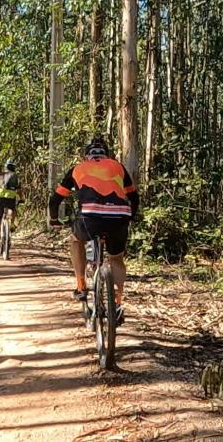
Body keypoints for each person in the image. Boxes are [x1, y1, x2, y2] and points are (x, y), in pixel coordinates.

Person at [48, 135, 140, 325]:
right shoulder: (118, 166)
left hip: (89, 218)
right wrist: (131, 216)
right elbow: (134, 196)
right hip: (119, 217)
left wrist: (55, 220)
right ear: (106, 154)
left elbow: (56, 199)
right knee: (116, 259)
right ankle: (117, 303)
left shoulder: (78, 168)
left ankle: (81, 286)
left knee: (75, 240)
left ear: (86, 154)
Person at [0, 159, 20, 250]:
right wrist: (21, 199)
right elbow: (19, 190)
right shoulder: (16, 177)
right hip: (11, 198)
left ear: (5, 167)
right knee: (13, 210)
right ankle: (12, 223)